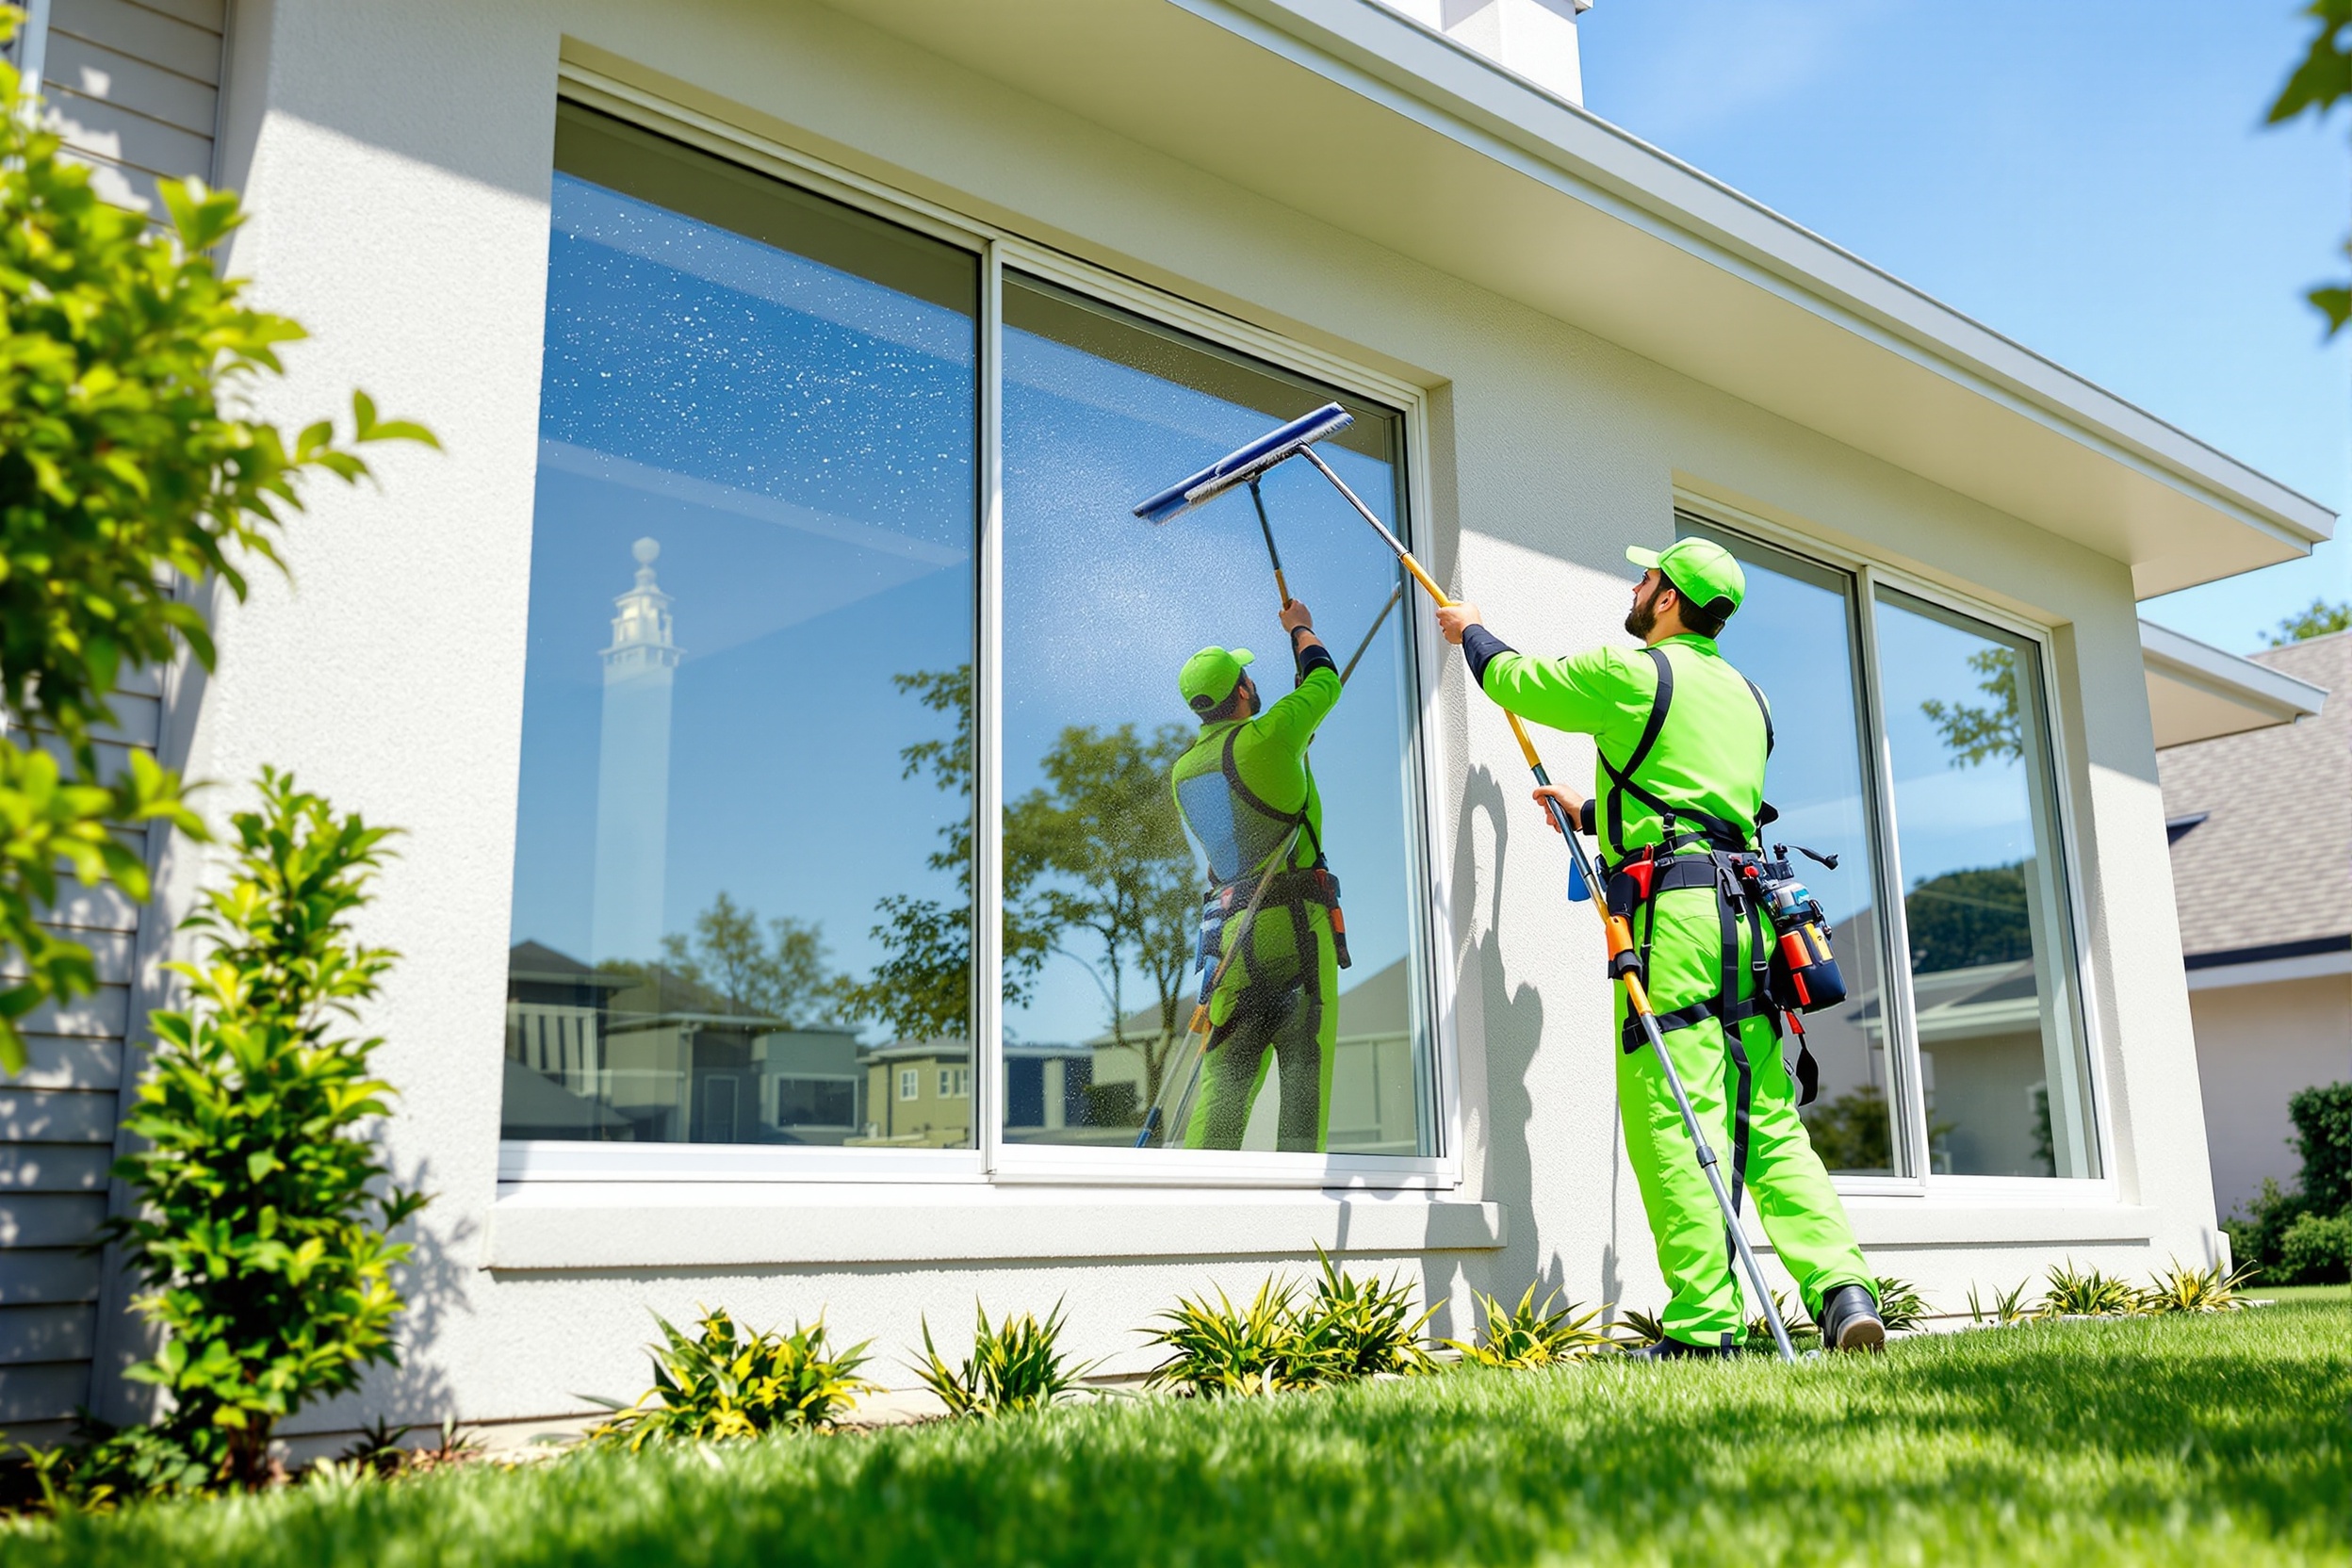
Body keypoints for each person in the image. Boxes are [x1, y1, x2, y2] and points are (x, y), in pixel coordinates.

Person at [1434, 538, 1884, 1356]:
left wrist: (1470, 629)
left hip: (1676, 924)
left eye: (1646, 578)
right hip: (1752, 919)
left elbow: (1516, 682)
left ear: (1669, 599)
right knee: (1767, 1116)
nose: (1636, 588)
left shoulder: (1633, 671)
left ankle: (1704, 1329)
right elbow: (1700, 807)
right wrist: (1594, 816)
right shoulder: (1749, 697)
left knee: (1678, 1114)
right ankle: (1844, 1292)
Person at [1168, 598, 1350, 1152]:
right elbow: (1325, 680)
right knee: (1303, 1080)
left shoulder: (1184, 771)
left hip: (1231, 941)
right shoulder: (1270, 737)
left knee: (1223, 1083)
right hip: (1296, 932)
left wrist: (1290, 749)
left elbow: (1243, 823)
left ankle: (1196, 1204)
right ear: (1243, 689)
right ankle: (1300, 1218)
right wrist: (1301, 629)